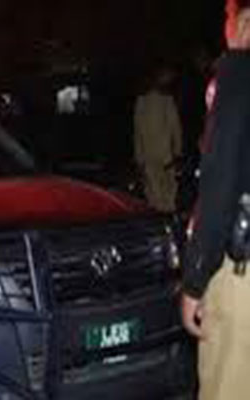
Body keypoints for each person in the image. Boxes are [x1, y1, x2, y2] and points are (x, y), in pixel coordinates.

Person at [180, 0, 250, 399]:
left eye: (227, 14)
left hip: (242, 275)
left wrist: (195, 280)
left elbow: (221, 183)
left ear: (243, 20)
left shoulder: (238, 72)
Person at [133, 64, 184, 212]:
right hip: (165, 155)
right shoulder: (166, 101)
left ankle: (159, 217)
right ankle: (165, 217)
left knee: (155, 193)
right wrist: (178, 151)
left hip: (149, 155)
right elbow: (175, 128)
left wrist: (139, 156)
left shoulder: (142, 102)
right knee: (167, 193)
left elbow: (137, 132)